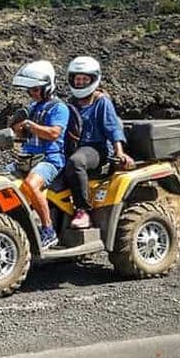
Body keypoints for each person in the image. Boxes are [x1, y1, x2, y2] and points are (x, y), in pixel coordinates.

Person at [63, 56, 134, 229]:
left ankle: (83, 210)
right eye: (77, 79)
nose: (80, 83)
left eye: (84, 79)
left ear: (93, 79)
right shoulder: (70, 103)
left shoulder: (101, 101)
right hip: (74, 147)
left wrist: (119, 152)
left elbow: (112, 128)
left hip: (96, 149)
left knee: (76, 162)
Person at [9, 60, 69, 249]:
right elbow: (20, 134)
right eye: (30, 90)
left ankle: (48, 230)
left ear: (48, 87)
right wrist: (17, 127)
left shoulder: (59, 108)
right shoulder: (32, 108)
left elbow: (53, 133)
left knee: (30, 185)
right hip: (26, 157)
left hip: (50, 159)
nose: (33, 93)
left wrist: (30, 125)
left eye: (36, 90)